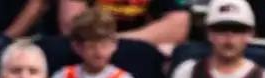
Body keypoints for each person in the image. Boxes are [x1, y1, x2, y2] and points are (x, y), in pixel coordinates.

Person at [58, 0, 190, 45]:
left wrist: (114, 41)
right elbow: (71, 25)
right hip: (88, 46)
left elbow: (179, 25)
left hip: (137, 45)